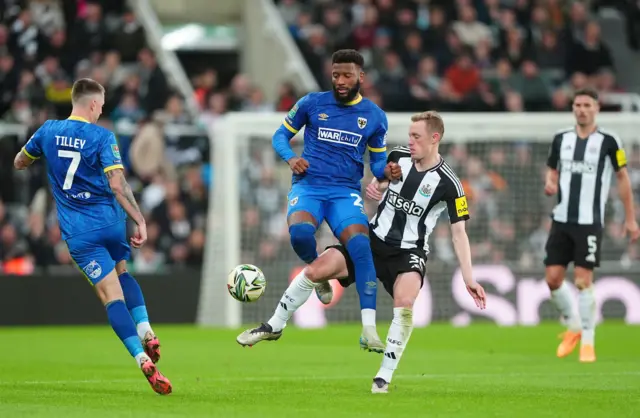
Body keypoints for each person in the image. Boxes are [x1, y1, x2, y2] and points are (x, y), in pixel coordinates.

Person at [239, 111, 486, 394]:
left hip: (408, 254)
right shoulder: (398, 157)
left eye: (416, 137)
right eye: (409, 136)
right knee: (315, 270)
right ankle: (274, 325)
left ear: (435, 138)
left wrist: (469, 278)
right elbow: (381, 179)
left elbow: (459, 234)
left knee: (405, 305)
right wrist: (378, 184)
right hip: (372, 240)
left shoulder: (450, 184)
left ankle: (383, 376)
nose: (410, 141)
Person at [13, 78, 172, 395]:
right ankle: (147, 330)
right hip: (110, 222)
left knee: (109, 296)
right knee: (122, 270)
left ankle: (141, 358)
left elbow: (20, 161)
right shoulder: (102, 136)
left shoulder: (47, 130)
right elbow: (117, 184)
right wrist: (139, 219)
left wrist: (34, 156)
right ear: (93, 104)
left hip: (79, 232)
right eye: (100, 105)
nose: (101, 111)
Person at [268, 49, 401, 352]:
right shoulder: (312, 103)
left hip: (345, 192)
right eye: (336, 75)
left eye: (347, 75)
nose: (340, 81)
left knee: (361, 248)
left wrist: (389, 172)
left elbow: (377, 165)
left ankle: (369, 329)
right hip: (310, 186)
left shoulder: (374, 116)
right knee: (300, 233)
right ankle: (318, 272)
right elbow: (279, 136)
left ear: (360, 77)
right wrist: (291, 158)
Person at [544, 87, 639, 363]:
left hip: (589, 222)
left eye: (587, 105)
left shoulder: (610, 141)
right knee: (552, 279)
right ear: (573, 108)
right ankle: (574, 325)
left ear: (597, 108)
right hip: (561, 219)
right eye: (578, 104)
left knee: (583, 281)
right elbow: (552, 169)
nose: (582, 109)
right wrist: (551, 181)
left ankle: (588, 340)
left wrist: (631, 218)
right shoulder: (561, 139)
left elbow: (622, 178)